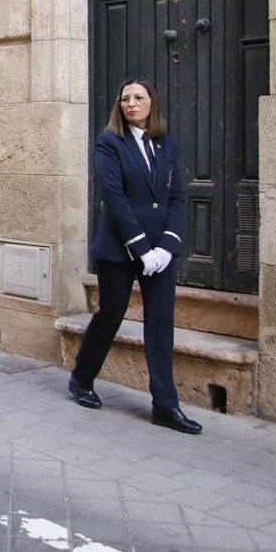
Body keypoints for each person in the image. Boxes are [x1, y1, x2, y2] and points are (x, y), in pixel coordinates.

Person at [68, 78, 200, 435]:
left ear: (150, 102)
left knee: (160, 323)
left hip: (159, 251)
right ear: (119, 106)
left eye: (138, 97)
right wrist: (141, 247)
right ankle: (81, 378)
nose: (131, 103)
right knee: (112, 313)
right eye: (125, 98)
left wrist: (166, 247)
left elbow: (176, 198)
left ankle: (165, 406)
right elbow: (114, 196)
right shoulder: (109, 142)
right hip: (119, 248)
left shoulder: (166, 144)